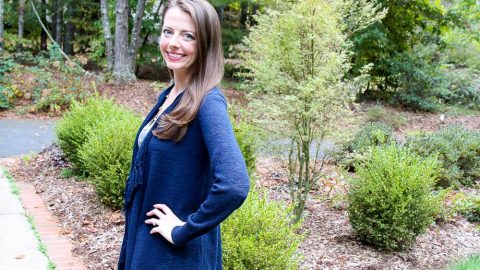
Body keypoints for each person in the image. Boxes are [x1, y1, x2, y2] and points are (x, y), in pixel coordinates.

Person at [117, 0, 250, 269]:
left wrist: (183, 230)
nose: (173, 43)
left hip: (174, 257)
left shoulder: (208, 102)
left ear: (206, 45)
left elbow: (234, 185)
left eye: (187, 36)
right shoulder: (170, 96)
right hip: (147, 246)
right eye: (168, 32)